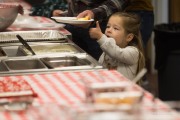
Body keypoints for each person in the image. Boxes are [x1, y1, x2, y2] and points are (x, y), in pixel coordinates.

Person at [59, 0, 130, 60]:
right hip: (73, 25)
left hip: (101, 26)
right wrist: (67, 14)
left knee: (101, 65)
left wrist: (95, 13)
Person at [89, 12, 145, 80]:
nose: (109, 30)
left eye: (115, 28)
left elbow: (116, 52)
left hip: (125, 90)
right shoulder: (106, 52)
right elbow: (100, 69)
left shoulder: (134, 52)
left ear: (129, 37)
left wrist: (101, 37)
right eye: (108, 26)